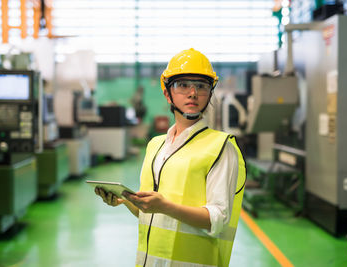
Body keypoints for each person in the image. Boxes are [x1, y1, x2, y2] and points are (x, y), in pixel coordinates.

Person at [95, 48, 246, 267]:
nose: (192, 93)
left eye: (201, 86)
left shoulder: (221, 147)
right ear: (167, 93)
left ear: (210, 93)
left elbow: (218, 219)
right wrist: (126, 201)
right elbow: (154, 213)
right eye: (183, 85)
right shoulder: (156, 145)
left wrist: (166, 206)